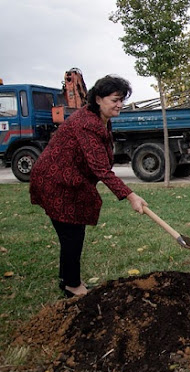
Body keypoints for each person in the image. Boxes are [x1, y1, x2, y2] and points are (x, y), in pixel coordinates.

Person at [29, 75, 148, 298]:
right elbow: (100, 168)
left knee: (73, 232)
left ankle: (68, 280)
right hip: (55, 182)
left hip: (70, 181)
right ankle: (72, 286)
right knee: (72, 234)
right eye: (115, 100)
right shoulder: (86, 123)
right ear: (98, 99)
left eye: (122, 99)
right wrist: (131, 196)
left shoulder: (102, 118)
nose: (120, 104)